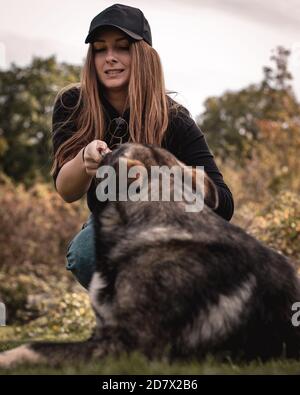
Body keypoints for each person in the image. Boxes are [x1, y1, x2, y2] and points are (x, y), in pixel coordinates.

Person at [51, 4, 234, 289]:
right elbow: (66, 190)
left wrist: (160, 176)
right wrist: (84, 160)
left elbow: (223, 203)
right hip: (113, 221)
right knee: (85, 254)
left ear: (144, 55)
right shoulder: (72, 105)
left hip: (172, 225)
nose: (110, 58)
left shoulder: (175, 120)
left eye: (122, 47)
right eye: (100, 49)